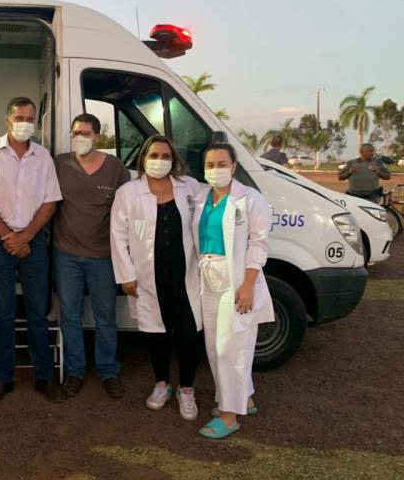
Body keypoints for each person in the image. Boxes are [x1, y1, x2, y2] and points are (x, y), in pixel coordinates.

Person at [0, 96, 63, 404]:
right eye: (19, 118)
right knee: (4, 313)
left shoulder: (43, 157)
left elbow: (51, 201)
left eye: (30, 118)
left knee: (38, 313)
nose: (25, 123)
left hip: (33, 242)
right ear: (7, 120)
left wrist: (26, 237)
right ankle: (3, 378)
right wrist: (10, 236)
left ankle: (44, 378)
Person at [110, 136, 203, 420]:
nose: (159, 161)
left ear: (174, 160)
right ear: (143, 158)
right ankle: (161, 382)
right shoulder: (128, 192)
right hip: (148, 274)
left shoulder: (190, 187)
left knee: (188, 330)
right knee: (155, 330)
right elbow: (118, 235)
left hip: (186, 272)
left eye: (165, 156)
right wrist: (126, 275)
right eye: (154, 155)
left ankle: (186, 388)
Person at [192, 141, 273, 439]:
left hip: (236, 279)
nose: (216, 170)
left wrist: (248, 284)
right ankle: (245, 397)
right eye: (210, 165)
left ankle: (229, 415)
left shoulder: (250, 199)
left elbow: (259, 243)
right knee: (215, 346)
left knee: (231, 347)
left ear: (234, 166)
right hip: (208, 276)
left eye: (222, 164)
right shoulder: (201, 198)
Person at [54, 113, 129, 399]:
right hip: (67, 256)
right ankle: (75, 371)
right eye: (76, 133)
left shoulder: (115, 167)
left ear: (98, 136)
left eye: (86, 133)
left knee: (105, 317)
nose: (80, 138)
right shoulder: (59, 164)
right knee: (70, 317)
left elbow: (125, 210)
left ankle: (109, 371)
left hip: (103, 256)